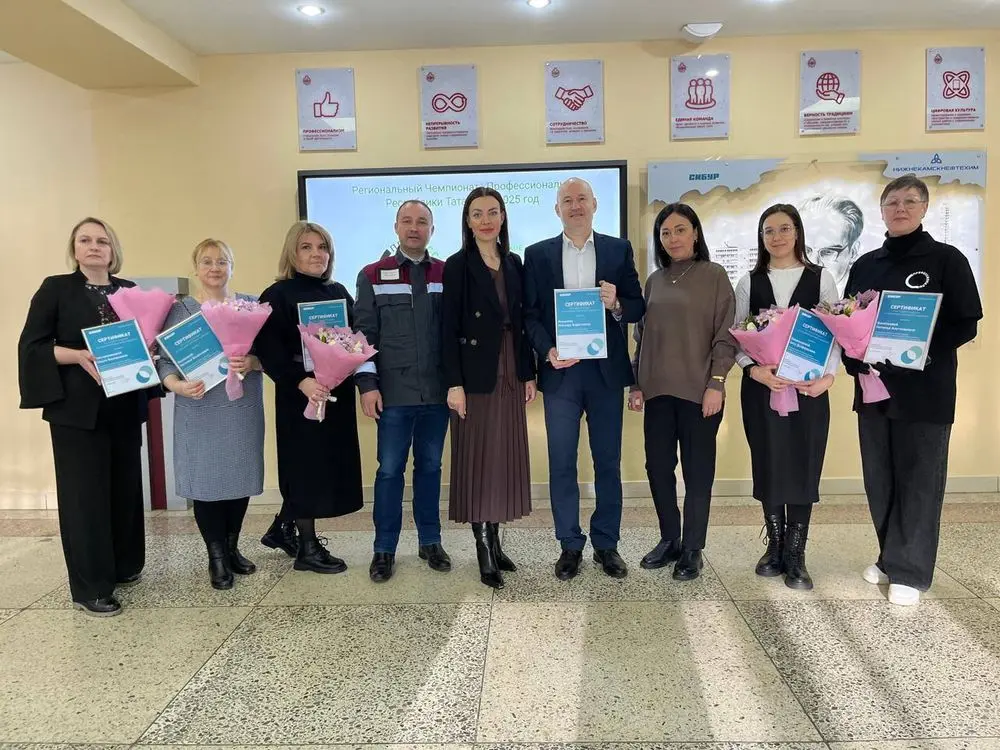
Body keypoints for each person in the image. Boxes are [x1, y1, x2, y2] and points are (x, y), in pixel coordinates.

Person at [843, 175, 982, 607]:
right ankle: (890, 558)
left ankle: (911, 571)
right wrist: (854, 359)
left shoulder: (946, 260)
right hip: (874, 389)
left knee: (919, 480)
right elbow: (847, 322)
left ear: (924, 208)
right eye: (892, 202)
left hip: (925, 392)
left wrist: (918, 353)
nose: (900, 208)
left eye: (909, 201)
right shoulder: (866, 264)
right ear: (882, 211)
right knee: (880, 478)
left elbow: (965, 323)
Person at [17, 217, 158, 617]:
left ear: (113, 250)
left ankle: (125, 565)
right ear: (74, 249)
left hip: (124, 405)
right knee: (85, 498)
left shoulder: (130, 291)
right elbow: (33, 347)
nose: (94, 246)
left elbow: (146, 340)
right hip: (76, 410)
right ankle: (91, 587)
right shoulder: (55, 289)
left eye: (102, 240)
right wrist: (77, 355)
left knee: (124, 489)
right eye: (85, 240)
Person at [523, 178, 644, 581]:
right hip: (561, 374)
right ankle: (570, 544)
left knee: (607, 461)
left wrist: (617, 303)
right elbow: (530, 315)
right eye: (567, 200)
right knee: (561, 462)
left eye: (581, 199)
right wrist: (547, 351)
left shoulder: (617, 249)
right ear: (557, 209)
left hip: (605, 374)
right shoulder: (537, 254)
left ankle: (606, 543)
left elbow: (637, 306)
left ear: (594, 204)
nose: (575, 206)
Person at [628, 203, 736, 582]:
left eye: (679, 230)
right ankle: (670, 539)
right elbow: (642, 338)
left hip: (700, 394)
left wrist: (716, 383)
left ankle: (693, 548)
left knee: (697, 472)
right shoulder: (654, 281)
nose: (672, 238)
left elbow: (725, 335)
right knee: (658, 468)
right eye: (665, 233)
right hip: (657, 393)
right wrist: (636, 382)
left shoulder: (714, 275)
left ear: (695, 233)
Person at [736, 204, 840, 591]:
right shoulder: (749, 281)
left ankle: (796, 553)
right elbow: (737, 336)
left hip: (808, 391)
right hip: (762, 389)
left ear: (797, 232)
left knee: (802, 464)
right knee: (768, 461)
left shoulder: (821, 278)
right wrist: (754, 370)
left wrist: (828, 377)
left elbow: (835, 334)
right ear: (761, 238)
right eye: (768, 231)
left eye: (784, 228)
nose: (776, 237)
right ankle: (775, 547)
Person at [442, 187, 536, 590]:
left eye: (493, 212)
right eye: (477, 213)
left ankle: (496, 542)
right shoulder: (457, 265)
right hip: (475, 374)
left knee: (501, 459)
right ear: (467, 221)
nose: (486, 220)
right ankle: (482, 547)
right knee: (478, 460)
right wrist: (454, 384)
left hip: (510, 368)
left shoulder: (514, 262)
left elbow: (524, 320)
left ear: (503, 217)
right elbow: (447, 328)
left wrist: (529, 373)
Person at [256, 221, 363, 573]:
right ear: (292, 252)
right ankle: (307, 548)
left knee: (325, 466)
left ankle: (281, 529)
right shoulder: (277, 294)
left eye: (322, 247)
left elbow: (353, 339)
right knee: (303, 467)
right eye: (307, 247)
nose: (317, 253)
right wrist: (301, 382)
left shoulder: (338, 290)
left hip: (334, 394)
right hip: (300, 396)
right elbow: (269, 349)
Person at [156, 239, 264, 590]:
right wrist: (176, 385)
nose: (215, 268)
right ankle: (216, 557)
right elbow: (164, 362)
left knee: (239, 479)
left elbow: (272, 354)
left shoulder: (250, 306)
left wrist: (253, 361)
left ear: (232, 266)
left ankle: (232, 548)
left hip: (241, 410)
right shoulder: (180, 311)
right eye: (207, 261)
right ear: (196, 268)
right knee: (205, 484)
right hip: (199, 408)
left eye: (222, 261)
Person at [354, 200, 451, 583]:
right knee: (390, 471)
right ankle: (384, 549)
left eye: (422, 222)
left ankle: (430, 541)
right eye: (407, 221)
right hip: (392, 395)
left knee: (430, 468)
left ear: (432, 230)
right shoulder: (372, 274)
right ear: (396, 227)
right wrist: (367, 385)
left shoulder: (445, 272)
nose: (414, 228)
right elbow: (363, 334)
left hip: (437, 394)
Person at [799, 195, 864, 296]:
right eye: (805, 249)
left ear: (853, 252)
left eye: (827, 252)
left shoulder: (866, 294)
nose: (812, 261)